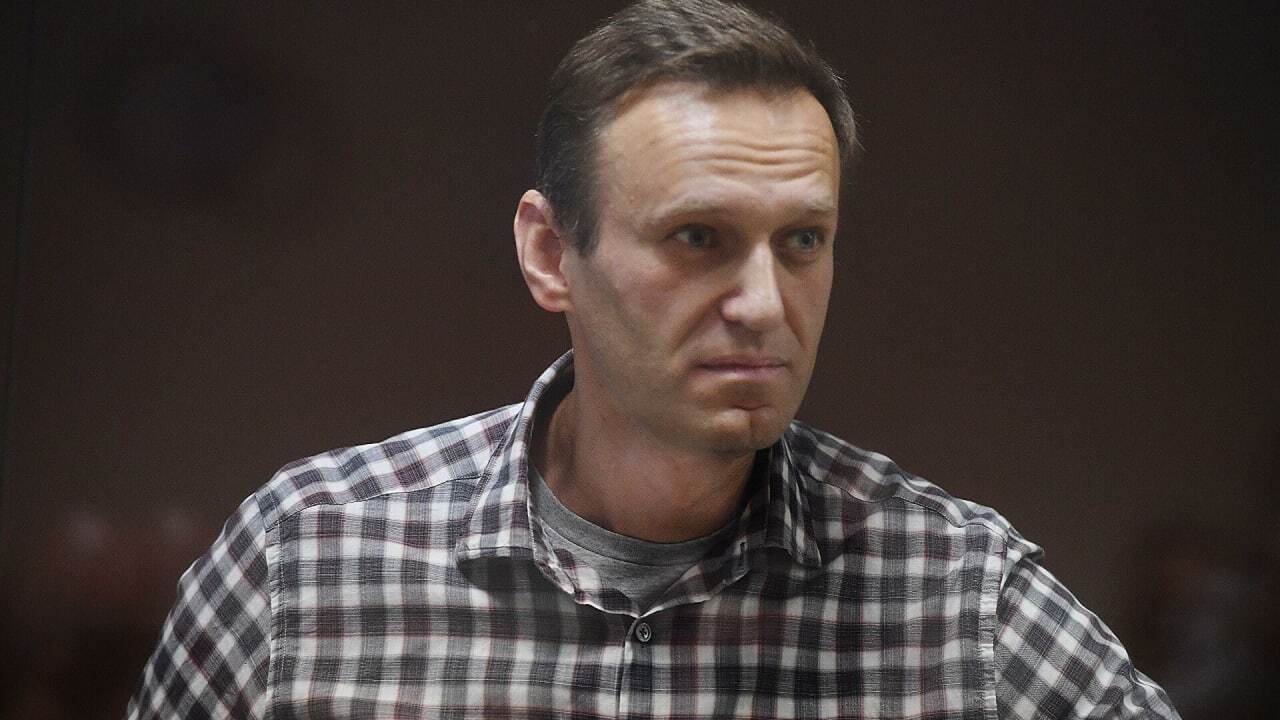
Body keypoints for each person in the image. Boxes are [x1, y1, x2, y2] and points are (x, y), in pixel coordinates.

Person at [127, 1, 1180, 717]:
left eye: (801, 241)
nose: (763, 305)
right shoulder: (306, 560)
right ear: (551, 254)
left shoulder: (956, 600)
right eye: (698, 238)